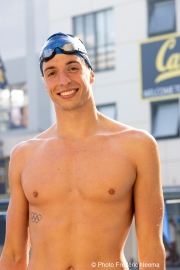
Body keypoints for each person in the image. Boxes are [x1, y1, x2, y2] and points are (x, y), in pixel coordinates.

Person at [0, 32, 165, 270]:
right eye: (52, 73)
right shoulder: (24, 155)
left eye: (73, 68)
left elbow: (150, 250)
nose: (64, 80)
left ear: (91, 73)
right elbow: (14, 254)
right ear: (45, 84)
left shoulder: (137, 146)